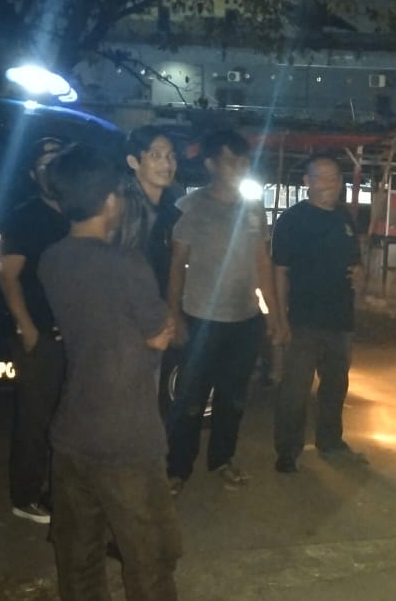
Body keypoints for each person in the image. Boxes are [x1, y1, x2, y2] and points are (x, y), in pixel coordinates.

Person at [38, 142, 224, 601]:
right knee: (152, 554)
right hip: (126, 435)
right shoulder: (125, 264)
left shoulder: (52, 259)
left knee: (79, 553)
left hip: (72, 431)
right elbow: (160, 332)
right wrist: (161, 324)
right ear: (110, 199)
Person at [165, 128, 286, 494]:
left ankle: (222, 459)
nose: (239, 167)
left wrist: (274, 316)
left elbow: (262, 262)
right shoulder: (191, 207)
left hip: (244, 318)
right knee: (190, 400)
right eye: (231, 161)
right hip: (200, 317)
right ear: (210, 164)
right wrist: (174, 314)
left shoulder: (253, 207)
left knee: (233, 398)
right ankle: (177, 468)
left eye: (244, 161)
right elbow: (177, 265)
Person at [270, 153, 361, 473]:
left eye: (335, 177)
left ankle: (330, 439)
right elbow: (280, 271)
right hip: (303, 320)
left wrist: (359, 276)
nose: (330, 184)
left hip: (340, 320)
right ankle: (287, 450)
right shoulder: (292, 220)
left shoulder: (345, 217)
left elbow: (355, 262)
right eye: (322, 177)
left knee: (335, 386)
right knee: (295, 390)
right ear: (307, 182)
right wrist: (280, 320)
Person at [0, 137, 69, 524]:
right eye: (45, 165)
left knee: (68, 418)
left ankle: (59, 492)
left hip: (74, 335)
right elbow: (8, 277)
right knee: (35, 420)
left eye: (59, 162)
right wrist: (27, 330)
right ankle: (25, 497)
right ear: (32, 174)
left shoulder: (78, 212)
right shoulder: (24, 217)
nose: (53, 171)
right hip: (39, 334)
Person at [117, 125, 181, 296]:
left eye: (171, 156)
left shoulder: (171, 205)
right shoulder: (122, 207)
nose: (166, 164)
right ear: (133, 161)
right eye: (155, 155)